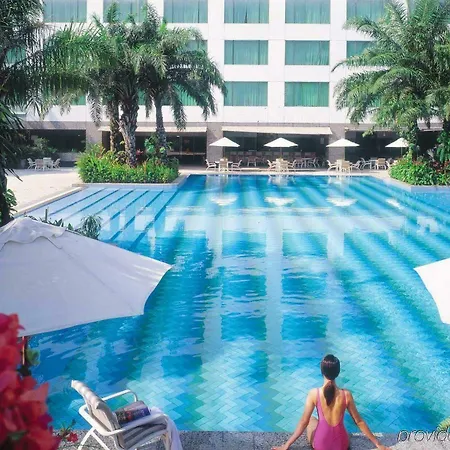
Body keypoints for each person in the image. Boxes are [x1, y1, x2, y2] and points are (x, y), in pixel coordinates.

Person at [272, 355, 390, 450]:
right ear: (338, 372)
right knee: (342, 428)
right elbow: (359, 422)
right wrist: (379, 444)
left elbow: (303, 422)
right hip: (342, 445)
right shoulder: (346, 394)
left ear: (322, 371)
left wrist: (286, 445)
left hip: (321, 445)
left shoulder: (314, 393)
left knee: (311, 420)